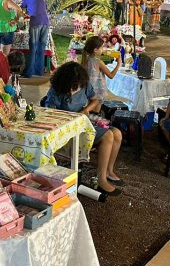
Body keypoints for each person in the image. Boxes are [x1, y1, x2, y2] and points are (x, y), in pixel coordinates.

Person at [43, 62, 124, 197]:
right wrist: (71, 117)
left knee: (117, 134)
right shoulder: (56, 90)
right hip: (68, 128)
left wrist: (85, 110)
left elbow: (95, 100)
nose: (77, 87)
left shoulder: (84, 85)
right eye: (75, 84)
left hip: (83, 121)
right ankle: (101, 179)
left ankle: (109, 171)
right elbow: (50, 113)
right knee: (108, 135)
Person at [81, 36, 122, 110]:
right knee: (95, 114)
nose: (103, 49)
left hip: (87, 91)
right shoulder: (98, 62)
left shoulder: (85, 60)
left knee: (90, 112)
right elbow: (111, 75)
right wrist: (118, 63)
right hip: (97, 93)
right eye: (102, 47)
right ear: (95, 50)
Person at [20, 0, 50, 77]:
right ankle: (39, 71)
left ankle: (29, 72)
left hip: (35, 23)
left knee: (33, 47)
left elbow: (20, 9)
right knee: (41, 47)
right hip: (45, 23)